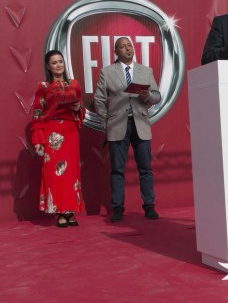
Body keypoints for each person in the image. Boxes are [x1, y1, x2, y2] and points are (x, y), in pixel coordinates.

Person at [94, 37, 162, 222]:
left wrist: (148, 95)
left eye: (129, 45)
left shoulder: (145, 71)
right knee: (117, 170)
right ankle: (117, 208)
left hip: (140, 124)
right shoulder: (107, 72)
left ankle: (149, 206)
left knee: (145, 168)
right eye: (122, 47)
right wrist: (106, 122)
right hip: (117, 126)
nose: (127, 49)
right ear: (116, 51)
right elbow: (99, 100)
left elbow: (157, 96)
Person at [30, 50, 85, 227]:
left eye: (60, 61)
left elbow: (81, 109)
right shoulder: (43, 86)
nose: (58, 65)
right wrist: (38, 140)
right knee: (55, 172)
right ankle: (59, 211)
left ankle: (70, 210)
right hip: (52, 132)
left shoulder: (74, 84)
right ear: (48, 66)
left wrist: (78, 108)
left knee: (71, 173)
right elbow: (37, 113)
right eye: (54, 63)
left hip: (70, 132)